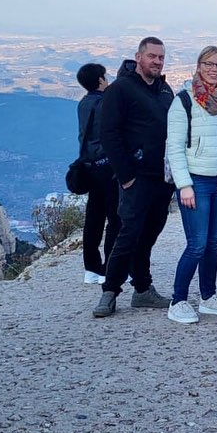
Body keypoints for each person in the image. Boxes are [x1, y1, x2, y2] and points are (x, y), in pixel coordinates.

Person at [164, 46, 217, 324]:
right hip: (197, 180)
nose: (214, 69)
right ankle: (178, 300)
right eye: (209, 64)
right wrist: (184, 185)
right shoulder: (184, 101)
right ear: (199, 65)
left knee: (213, 242)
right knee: (197, 244)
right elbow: (175, 148)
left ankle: (208, 297)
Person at [93, 37, 175, 318]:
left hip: (162, 178)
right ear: (138, 57)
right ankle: (109, 291)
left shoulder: (164, 90)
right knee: (128, 233)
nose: (157, 61)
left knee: (149, 234)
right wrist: (126, 176)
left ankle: (142, 289)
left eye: (161, 57)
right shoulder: (120, 89)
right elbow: (109, 134)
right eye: (152, 56)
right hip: (136, 178)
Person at [75, 63, 121, 285]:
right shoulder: (104, 103)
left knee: (94, 218)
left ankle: (91, 268)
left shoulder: (83, 103)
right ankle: (109, 268)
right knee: (115, 217)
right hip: (107, 166)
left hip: (89, 166)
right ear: (101, 80)